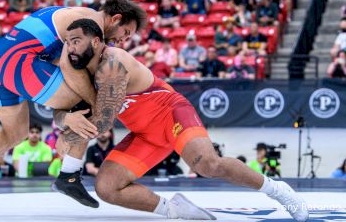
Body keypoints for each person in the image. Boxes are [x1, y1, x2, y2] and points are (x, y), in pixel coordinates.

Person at [55, 19, 309, 221]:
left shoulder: (113, 61)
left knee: (208, 165)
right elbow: (60, 111)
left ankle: (278, 190)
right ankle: (174, 209)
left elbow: (103, 123)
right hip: (144, 135)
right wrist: (65, 119)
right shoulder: (75, 73)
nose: (71, 48)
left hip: (171, 115)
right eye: (67, 42)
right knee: (107, 187)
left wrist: (68, 134)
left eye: (76, 41)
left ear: (97, 41)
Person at [0, 0, 147, 216]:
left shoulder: (79, 16)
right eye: (125, 32)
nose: (123, 40)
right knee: (88, 103)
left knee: (15, 133)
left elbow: (61, 66)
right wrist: (94, 105)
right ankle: (69, 175)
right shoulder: (91, 24)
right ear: (115, 18)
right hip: (17, 62)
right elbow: (69, 69)